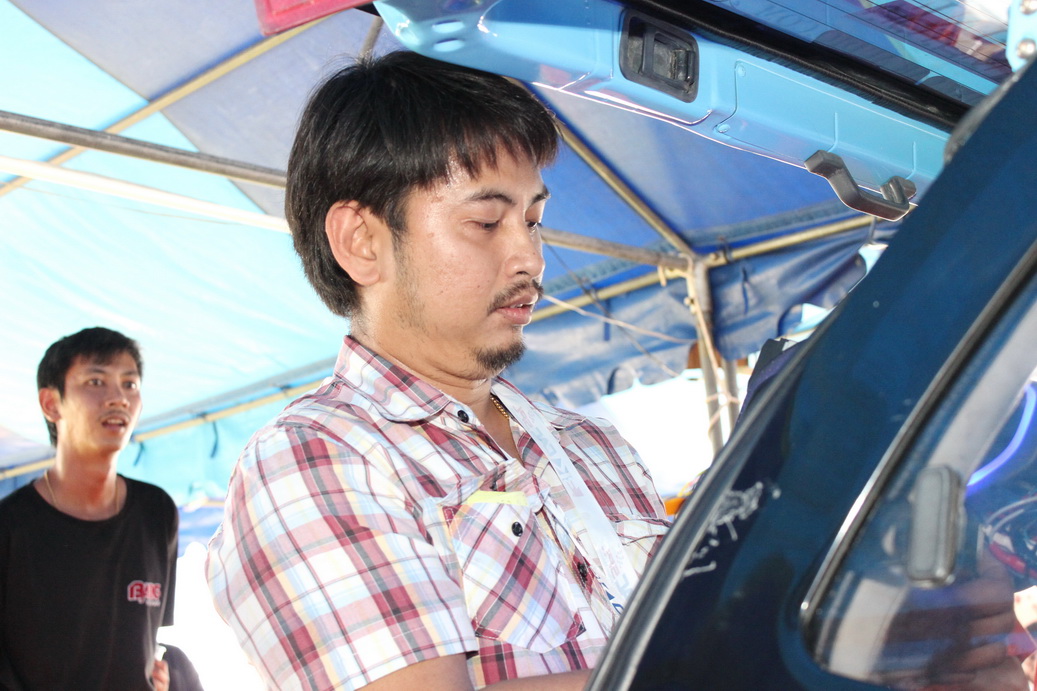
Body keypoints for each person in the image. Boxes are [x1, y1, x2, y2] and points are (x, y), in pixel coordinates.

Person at [206, 50, 670, 691]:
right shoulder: (315, 458)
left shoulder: (593, 444)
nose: (530, 257)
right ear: (362, 242)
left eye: (534, 220)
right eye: (486, 222)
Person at [0, 327, 178, 690]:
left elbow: (148, 643)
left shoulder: (157, 512)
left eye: (130, 384)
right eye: (96, 381)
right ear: (51, 404)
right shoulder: (9, 527)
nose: (119, 398)